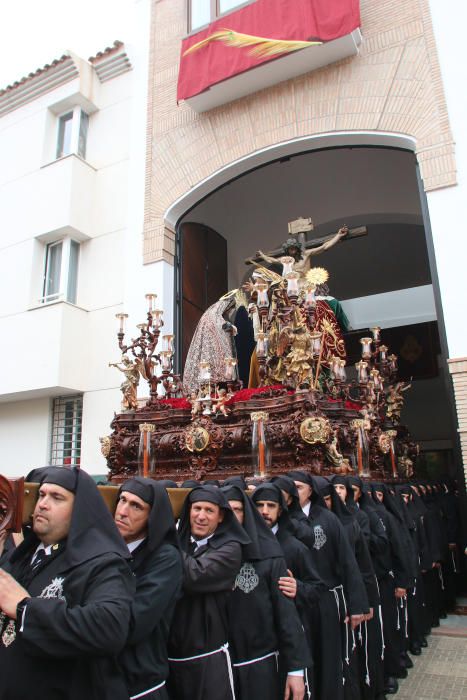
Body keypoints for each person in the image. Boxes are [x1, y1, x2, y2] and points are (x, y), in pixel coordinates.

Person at [0, 466, 135, 700]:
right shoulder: (23, 555)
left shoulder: (103, 563)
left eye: (57, 497)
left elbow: (109, 627)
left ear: (80, 511)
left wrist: (25, 609)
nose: (43, 504)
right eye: (41, 495)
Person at [222, 484, 311, 700]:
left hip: (260, 662)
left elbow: (287, 616)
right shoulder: (209, 553)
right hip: (220, 665)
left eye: (238, 509)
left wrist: (296, 669)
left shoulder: (270, 554)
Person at [167, 485, 250, 700]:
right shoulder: (180, 543)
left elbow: (194, 576)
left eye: (209, 510)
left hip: (207, 658)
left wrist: (166, 539)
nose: (201, 516)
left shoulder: (230, 548)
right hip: (169, 656)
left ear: (221, 516)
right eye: (196, 509)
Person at [115, 477, 183, 700]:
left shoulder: (165, 558)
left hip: (139, 681)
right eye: (122, 500)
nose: (123, 511)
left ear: (152, 516)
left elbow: (137, 622)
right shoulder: (107, 548)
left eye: (136, 506)